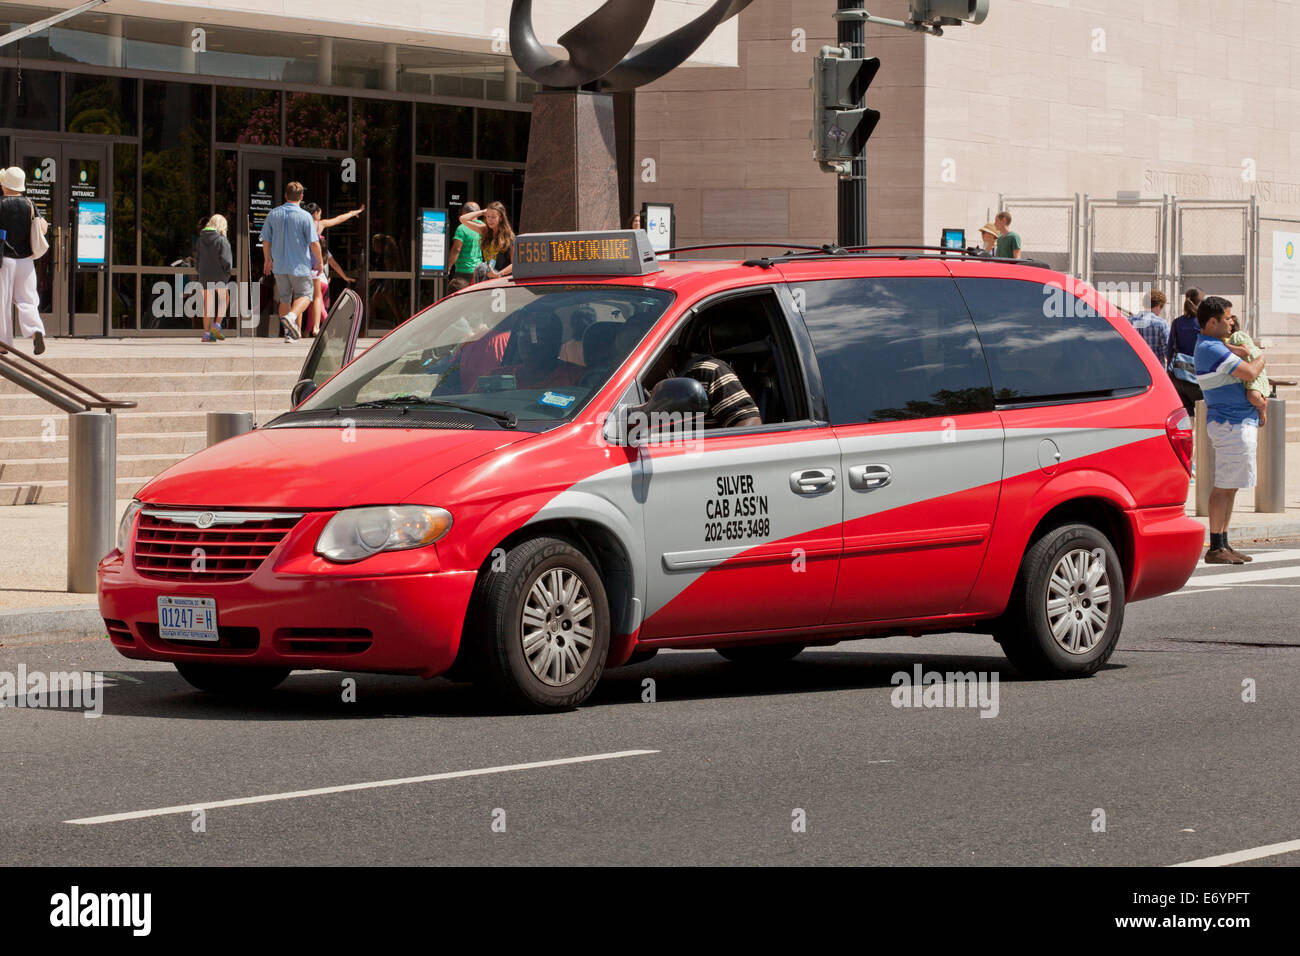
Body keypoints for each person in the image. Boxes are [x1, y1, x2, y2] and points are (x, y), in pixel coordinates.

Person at [1195, 296, 1266, 565]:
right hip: (1230, 423)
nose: (1231, 321)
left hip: (1235, 422)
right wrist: (1262, 356)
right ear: (1212, 321)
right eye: (1227, 318)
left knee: (1231, 486)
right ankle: (1215, 546)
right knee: (1224, 486)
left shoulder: (1215, 344)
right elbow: (1249, 372)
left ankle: (1223, 543)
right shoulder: (1211, 348)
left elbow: (1240, 357)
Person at [259, 181, 321, 341]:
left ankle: (289, 334)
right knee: (306, 295)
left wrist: (267, 259)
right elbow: (314, 243)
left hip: (280, 266)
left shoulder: (273, 214)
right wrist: (320, 262)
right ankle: (292, 317)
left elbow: (265, 240)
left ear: (285, 195)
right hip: (299, 266)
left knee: (284, 299)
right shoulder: (305, 216)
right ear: (301, 196)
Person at [0, 167, 47, 354]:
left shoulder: (0, 204)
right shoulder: (29, 203)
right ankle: (36, 331)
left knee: (2, 302)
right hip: (26, 260)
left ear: (4, 185)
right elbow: (42, 228)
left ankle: (3, 343)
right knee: (28, 299)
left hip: (4, 259)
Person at [301, 201, 361, 335]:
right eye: (320, 213)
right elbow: (337, 220)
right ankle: (318, 328)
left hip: (302, 264)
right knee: (317, 299)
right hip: (315, 266)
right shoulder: (318, 225)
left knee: (300, 298)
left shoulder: (302, 225)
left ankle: (300, 329)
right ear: (316, 214)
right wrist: (351, 213)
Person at [1223, 312, 1270, 426]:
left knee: (1252, 396)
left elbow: (1245, 351)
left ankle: (1262, 406)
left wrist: (1225, 346)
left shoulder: (1237, 336)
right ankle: (1260, 409)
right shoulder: (1231, 339)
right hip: (1248, 371)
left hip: (1254, 369)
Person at [195, 214, 233, 342]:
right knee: (225, 298)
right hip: (219, 274)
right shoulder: (222, 239)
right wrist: (227, 273)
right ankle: (217, 326)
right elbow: (226, 260)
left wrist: (199, 271)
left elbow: (198, 258)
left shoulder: (200, 239)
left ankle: (206, 334)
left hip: (204, 274)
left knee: (207, 304)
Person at [1167, 287, 1204, 415]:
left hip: (1179, 376)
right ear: (1202, 301)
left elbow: (1169, 350)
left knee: (1187, 417)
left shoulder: (1177, 322)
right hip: (1199, 377)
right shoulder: (1203, 323)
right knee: (1203, 415)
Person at [461, 201, 515, 281]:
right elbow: (463, 219)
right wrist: (483, 212)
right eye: (488, 216)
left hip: (501, 278)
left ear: (501, 218)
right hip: (486, 276)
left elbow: (514, 264)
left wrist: (498, 274)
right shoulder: (485, 230)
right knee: (481, 267)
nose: (490, 220)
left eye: (493, 217)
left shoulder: (509, 237)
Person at [446, 201, 482, 293]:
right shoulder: (483, 227)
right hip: (479, 270)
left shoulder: (462, 228)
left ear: (464, 213)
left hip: (464, 271)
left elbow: (457, 249)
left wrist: (448, 267)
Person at [1126, 289, 1169, 361]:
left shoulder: (1130, 321)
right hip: (1154, 369)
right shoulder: (1161, 324)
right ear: (1158, 306)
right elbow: (1168, 352)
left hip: (1134, 367)